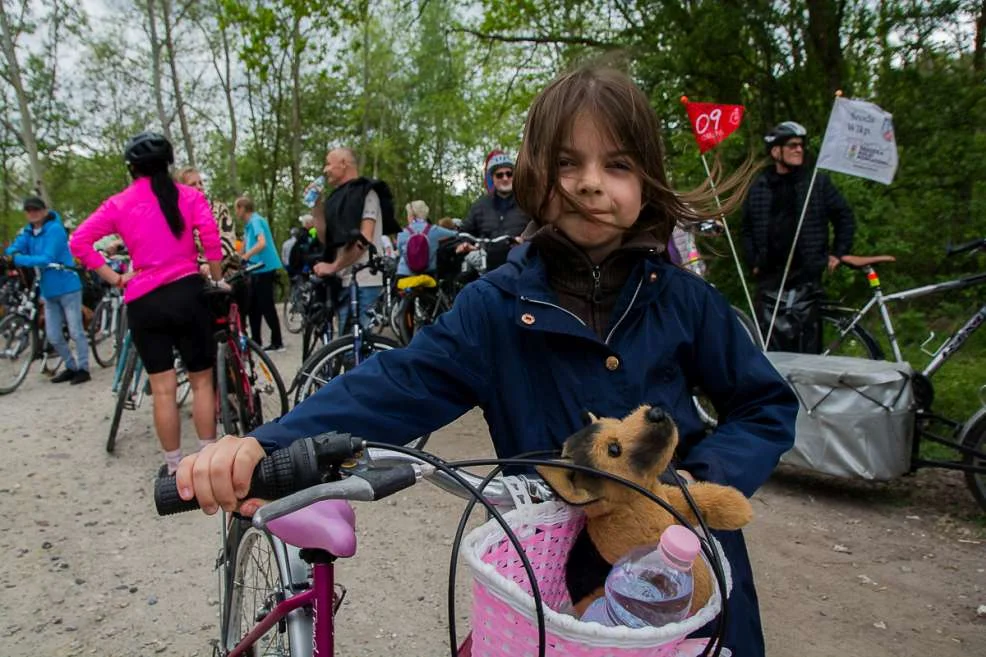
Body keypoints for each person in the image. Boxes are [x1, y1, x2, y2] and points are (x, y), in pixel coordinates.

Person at [176, 65, 797, 657]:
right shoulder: (496, 307)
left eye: (618, 165)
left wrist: (695, 483)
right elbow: (400, 380)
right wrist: (265, 444)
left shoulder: (684, 300)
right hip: (547, 585)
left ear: (648, 182)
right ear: (532, 177)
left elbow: (765, 404)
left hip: (684, 576)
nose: (589, 183)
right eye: (565, 164)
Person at [69, 132, 225, 473]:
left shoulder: (118, 203)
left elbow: (79, 242)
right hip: (187, 294)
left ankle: (173, 467)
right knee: (201, 381)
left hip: (144, 300)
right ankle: (209, 460)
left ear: (132, 168)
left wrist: (115, 277)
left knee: (163, 389)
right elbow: (210, 238)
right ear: (169, 164)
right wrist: (215, 277)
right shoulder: (189, 196)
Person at [740, 121, 855, 353]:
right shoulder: (759, 186)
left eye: (801, 145)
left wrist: (838, 252)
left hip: (806, 278)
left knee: (807, 348)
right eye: (792, 145)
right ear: (775, 151)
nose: (799, 149)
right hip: (769, 279)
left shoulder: (816, 183)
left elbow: (844, 216)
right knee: (769, 348)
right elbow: (746, 228)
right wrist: (753, 261)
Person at [4, 196, 91, 384]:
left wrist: (17, 259)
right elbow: (12, 250)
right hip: (48, 290)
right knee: (53, 335)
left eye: (36, 209)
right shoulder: (28, 232)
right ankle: (71, 365)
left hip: (68, 287)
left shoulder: (55, 230)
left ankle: (83, 368)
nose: (33, 213)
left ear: (44, 210)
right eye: (29, 210)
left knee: (76, 331)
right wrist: (12, 255)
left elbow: (46, 258)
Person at [311, 147, 400, 331]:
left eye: (328, 163)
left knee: (355, 348)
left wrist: (334, 266)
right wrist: (317, 207)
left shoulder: (367, 193)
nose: (325, 170)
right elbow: (325, 239)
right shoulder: (336, 199)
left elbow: (364, 239)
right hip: (342, 280)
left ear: (343, 164)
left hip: (364, 280)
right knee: (344, 347)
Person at [457, 151, 530, 271]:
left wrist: (525, 240)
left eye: (509, 174)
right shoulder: (480, 205)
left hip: (521, 265)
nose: (505, 178)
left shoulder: (527, 203)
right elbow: (464, 231)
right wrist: (465, 244)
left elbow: (540, 230)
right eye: (499, 175)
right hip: (488, 266)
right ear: (493, 178)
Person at [234, 196, 284, 352]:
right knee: (253, 307)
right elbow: (243, 247)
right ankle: (256, 342)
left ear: (242, 208)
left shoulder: (256, 221)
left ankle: (277, 342)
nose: (236, 212)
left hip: (264, 268)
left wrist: (245, 257)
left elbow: (262, 243)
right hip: (255, 269)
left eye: (237, 208)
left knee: (266, 304)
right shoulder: (249, 226)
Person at [175, 167, 239, 271]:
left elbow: (227, 241)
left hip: (225, 272)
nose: (199, 187)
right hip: (193, 276)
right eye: (193, 184)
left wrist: (208, 264)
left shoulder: (218, 209)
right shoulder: (178, 218)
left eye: (200, 183)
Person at [395, 200, 458, 277]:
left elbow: (400, 253)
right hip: (428, 275)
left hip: (405, 274)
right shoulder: (434, 230)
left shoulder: (402, 233)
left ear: (412, 215)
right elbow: (455, 234)